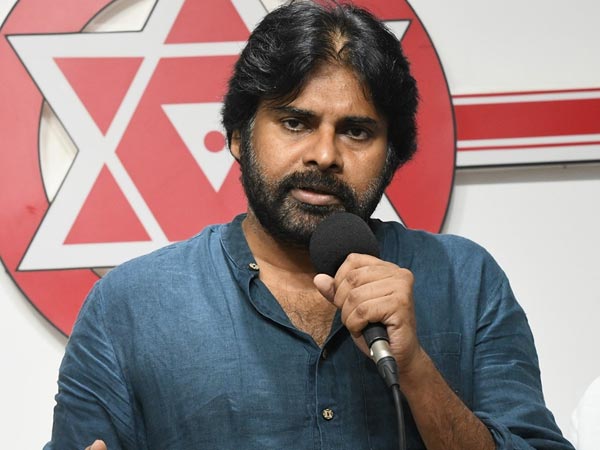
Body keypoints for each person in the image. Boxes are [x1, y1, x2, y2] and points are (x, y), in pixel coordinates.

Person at [45, 1, 574, 449]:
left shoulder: (466, 280)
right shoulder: (129, 306)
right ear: (238, 136)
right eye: (295, 122)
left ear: (392, 155)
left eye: (357, 132)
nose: (324, 154)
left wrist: (415, 370)